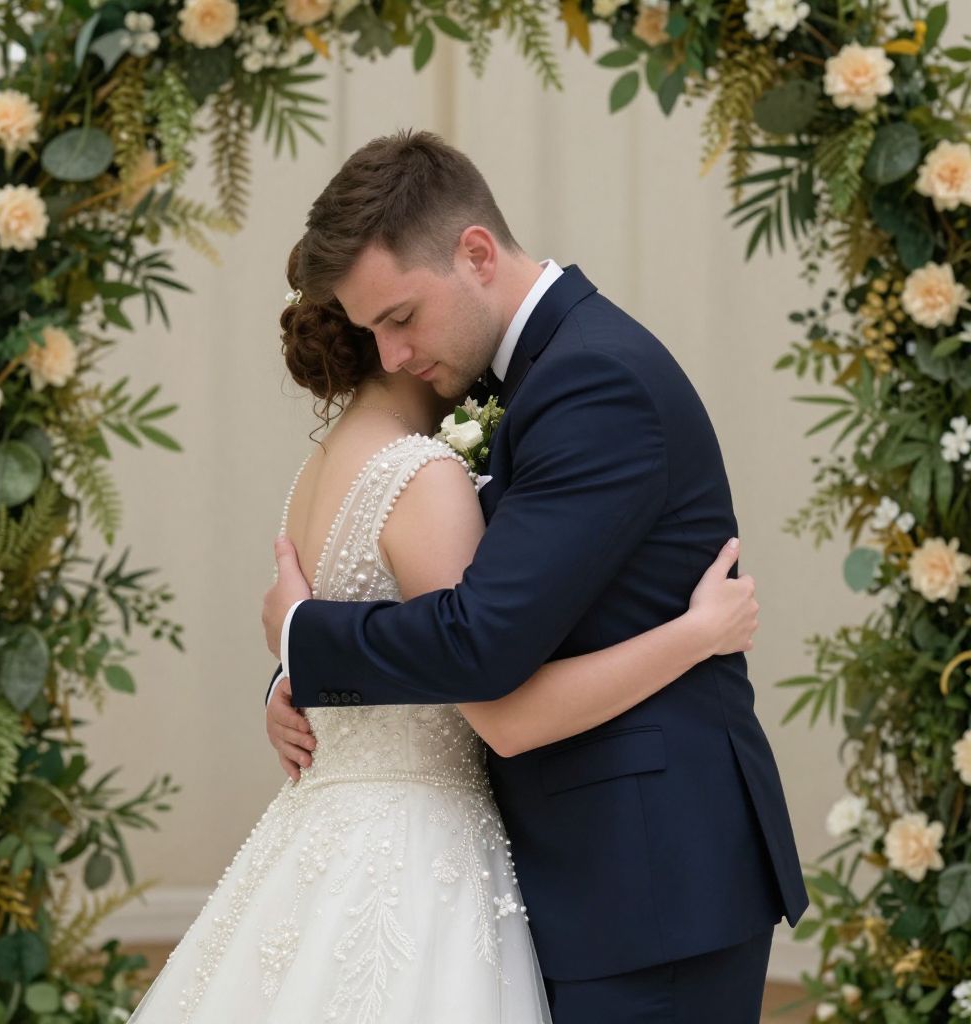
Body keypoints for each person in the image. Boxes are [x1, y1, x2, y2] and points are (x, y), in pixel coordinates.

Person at [125, 254, 762, 1023]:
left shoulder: (316, 471)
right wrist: (697, 633)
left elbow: (370, 620)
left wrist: (297, 667)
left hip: (330, 838)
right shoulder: (425, 472)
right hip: (421, 851)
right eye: (390, 322)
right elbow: (493, 693)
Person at [263, 129, 809, 1024]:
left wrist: (305, 638)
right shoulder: (519, 375)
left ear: (477, 253)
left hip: (649, 882)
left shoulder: (592, 378)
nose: (390, 357)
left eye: (400, 318)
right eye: (372, 333)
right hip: (580, 878)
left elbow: (481, 639)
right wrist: (299, 682)